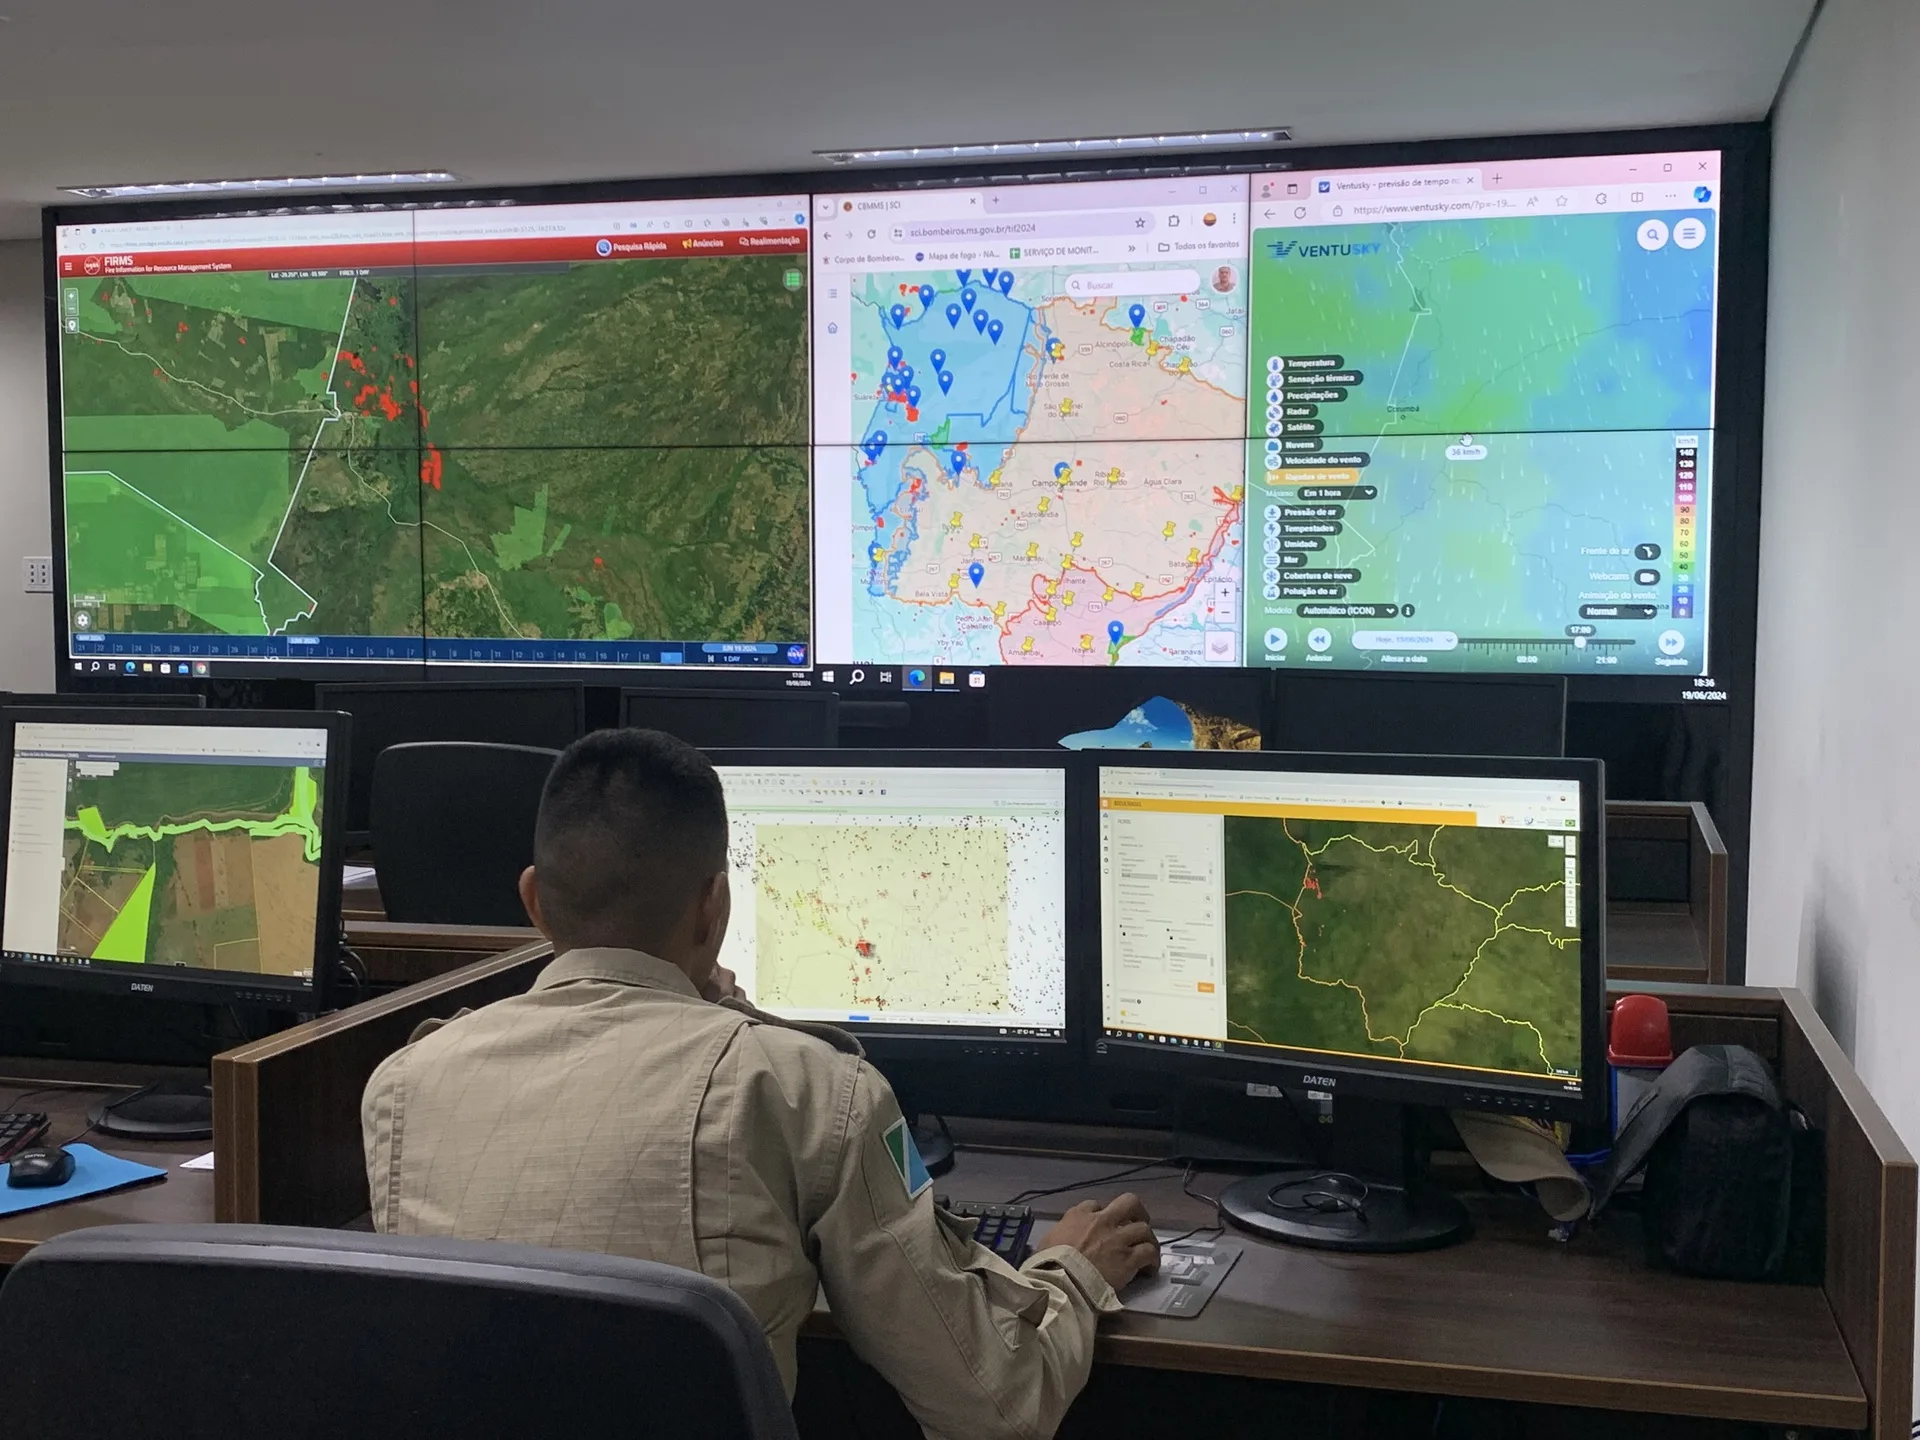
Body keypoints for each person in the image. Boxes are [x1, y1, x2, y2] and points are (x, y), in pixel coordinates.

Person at [362, 728, 1159, 1439]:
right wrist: (1071, 1273)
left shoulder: (401, 1088)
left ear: (534, 901)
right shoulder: (810, 1090)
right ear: (716, 904)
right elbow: (991, 1408)